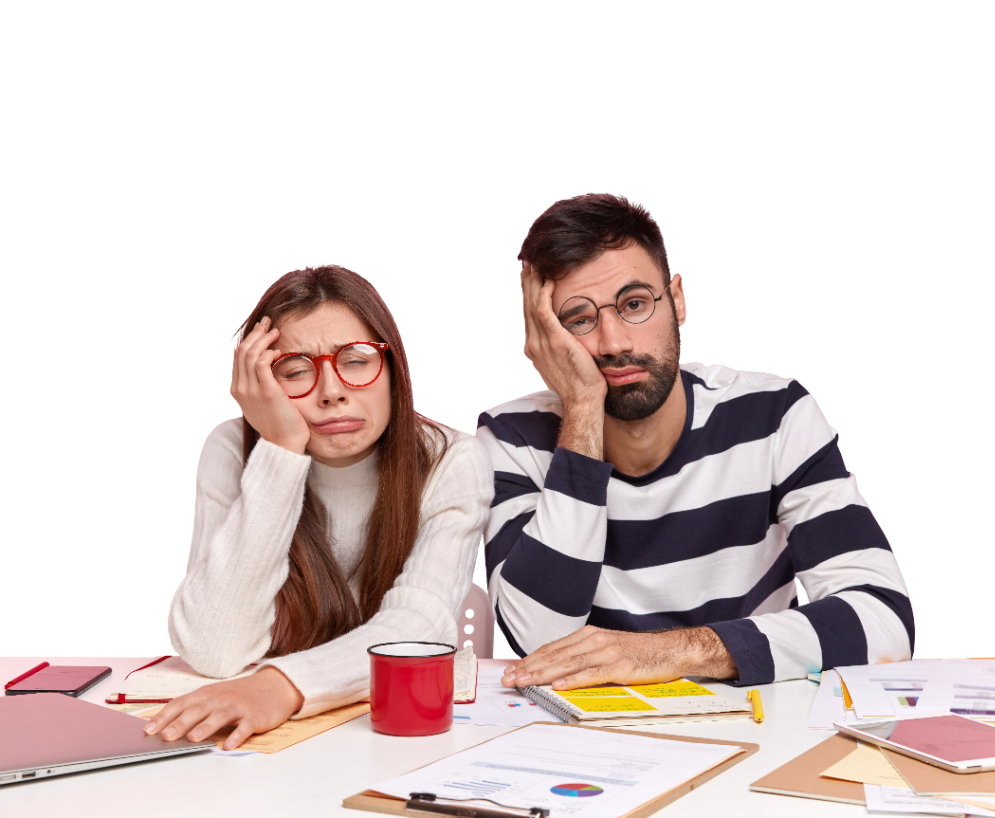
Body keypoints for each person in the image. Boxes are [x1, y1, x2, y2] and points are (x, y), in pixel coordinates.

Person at [477, 193, 913, 692]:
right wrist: (581, 407)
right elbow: (540, 644)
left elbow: (884, 619)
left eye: (635, 304)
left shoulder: (772, 415)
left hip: (758, 728)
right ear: (543, 336)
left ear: (678, 299)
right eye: (579, 319)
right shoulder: (511, 436)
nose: (614, 342)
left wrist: (669, 652)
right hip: (594, 738)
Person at [145, 264, 492, 750]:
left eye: (355, 360)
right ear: (261, 383)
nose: (331, 392)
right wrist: (281, 447)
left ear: (393, 369)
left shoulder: (451, 457)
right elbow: (214, 648)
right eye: (295, 371)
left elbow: (418, 625)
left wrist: (280, 686)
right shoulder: (230, 447)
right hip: (261, 753)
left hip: (393, 738)